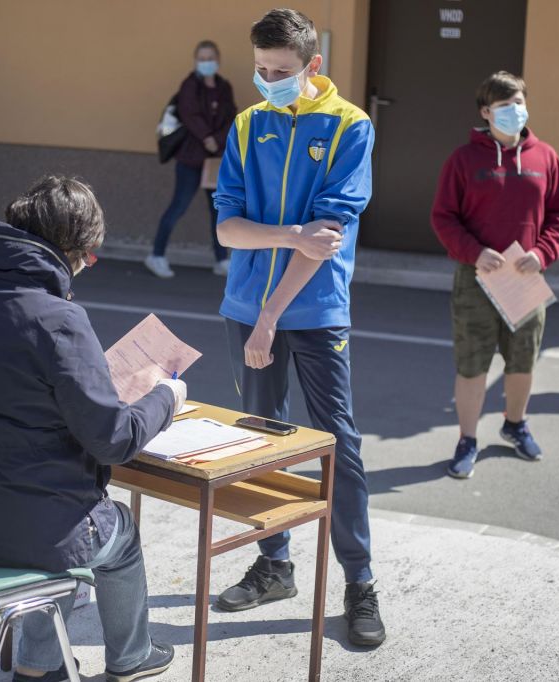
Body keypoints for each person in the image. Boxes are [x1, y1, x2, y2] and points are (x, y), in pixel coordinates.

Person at [0, 175, 182, 682]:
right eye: (90, 255)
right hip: (32, 534)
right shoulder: (59, 320)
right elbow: (114, 439)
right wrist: (166, 398)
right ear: (73, 251)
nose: (87, 267)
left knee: (38, 507)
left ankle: (40, 667)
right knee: (111, 529)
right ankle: (131, 657)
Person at [211, 9, 385, 647]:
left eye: (280, 71)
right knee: (260, 439)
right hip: (249, 311)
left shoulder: (350, 127)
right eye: (259, 69)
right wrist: (286, 236)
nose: (267, 80)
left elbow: (326, 239)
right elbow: (228, 227)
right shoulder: (246, 124)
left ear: (314, 65)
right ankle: (274, 564)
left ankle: (360, 581)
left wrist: (270, 315)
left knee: (338, 442)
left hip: (312, 311)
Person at [430, 71, 559, 480]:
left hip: (525, 279)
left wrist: (542, 253)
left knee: (522, 360)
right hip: (475, 279)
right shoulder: (463, 160)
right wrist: (475, 253)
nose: (514, 111)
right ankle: (467, 440)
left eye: (519, 102)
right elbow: (443, 217)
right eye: (504, 105)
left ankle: (515, 424)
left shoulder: (545, 157)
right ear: (485, 111)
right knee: (472, 365)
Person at [145, 40, 236, 279]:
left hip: (215, 160)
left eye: (210, 58)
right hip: (190, 159)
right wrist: (207, 137)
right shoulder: (189, 85)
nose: (207, 62)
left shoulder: (224, 87)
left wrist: (217, 139)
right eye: (202, 58)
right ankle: (156, 255)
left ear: (218, 60)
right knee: (178, 206)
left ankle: (221, 259)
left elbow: (231, 117)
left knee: (218, 210)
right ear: (196, 61)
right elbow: (189, 113)